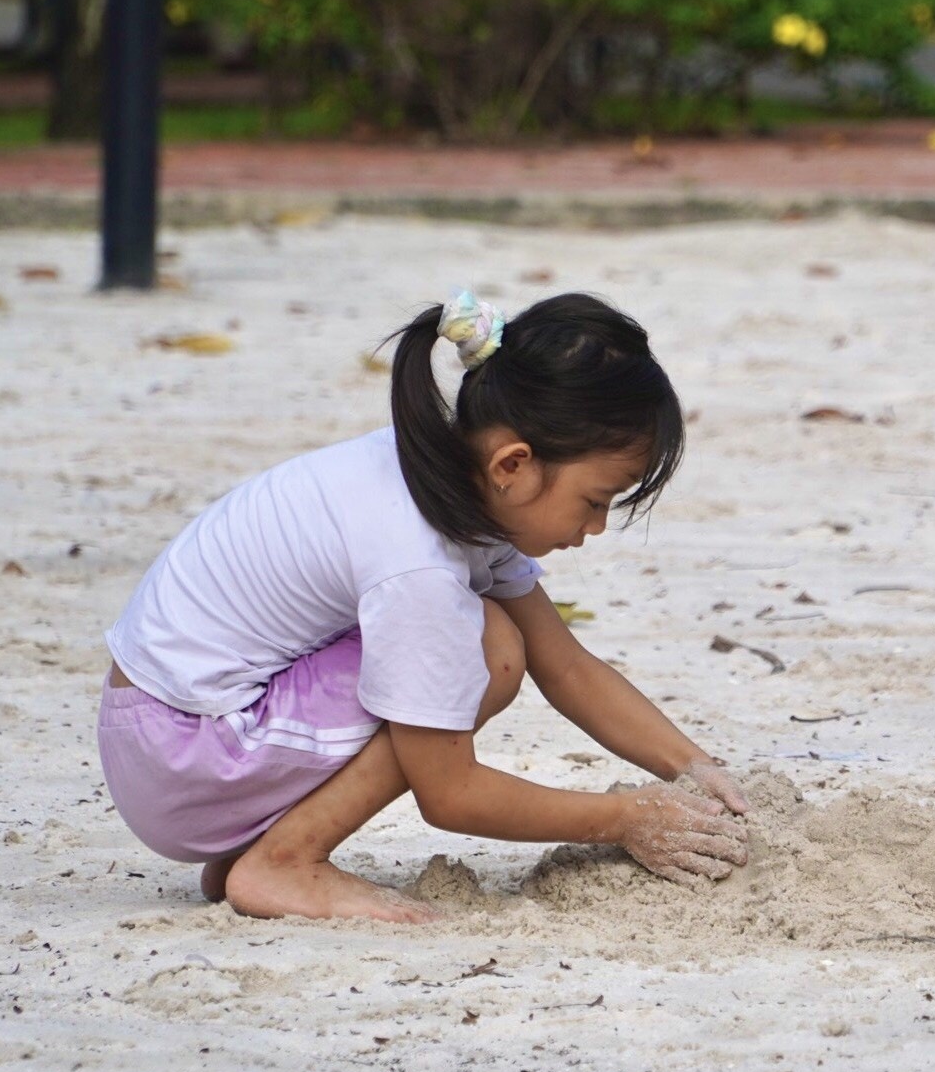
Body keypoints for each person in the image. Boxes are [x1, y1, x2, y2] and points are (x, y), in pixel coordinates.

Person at [98, 291, 750, 923]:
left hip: (169, 738)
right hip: (184, 755)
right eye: (595, 499)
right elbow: (451, 793)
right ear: (514, 465)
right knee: (487, 650)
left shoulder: (443, 478)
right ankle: (284, 859)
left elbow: (568, 668)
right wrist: (626, 819)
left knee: (493, 640)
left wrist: (694, 767)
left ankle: (258, 846)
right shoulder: (417, 563)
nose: (598, 526)